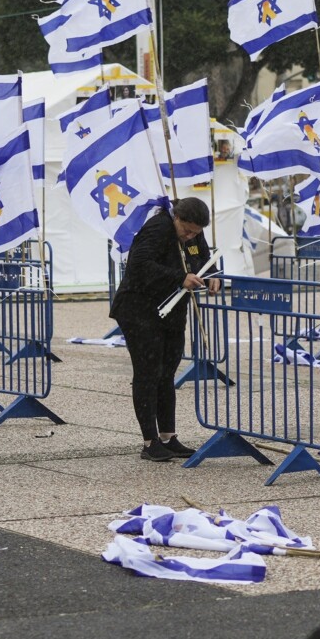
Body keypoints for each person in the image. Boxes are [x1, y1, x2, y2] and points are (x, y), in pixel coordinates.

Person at [110, 195, 215, 462]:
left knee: (167, 373)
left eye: (196, 233)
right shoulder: (158, 227)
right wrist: (180, 277)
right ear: (177, 218)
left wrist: (213, 278)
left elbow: (203, 260)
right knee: (148, 373)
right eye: (187, 231)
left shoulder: (193, 235)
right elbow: (139, 265)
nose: (190, 237)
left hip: (172, 311)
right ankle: (149, 442)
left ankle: (169, 436)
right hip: (140, 308)